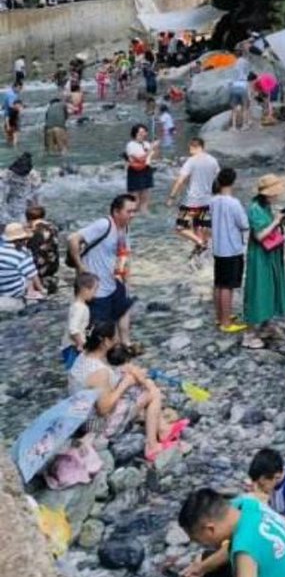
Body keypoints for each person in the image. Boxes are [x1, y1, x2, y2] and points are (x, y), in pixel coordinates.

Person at [69, 322, 185, 460]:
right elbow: (104, 409)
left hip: (83, 415)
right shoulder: (98, 372)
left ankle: (162, 428)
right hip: (97, 426)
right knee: (152, 393)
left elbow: (102, 388)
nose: (117, 341)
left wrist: (129, 374)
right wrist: (125, 384)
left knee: (146, 383)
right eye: (115, 338)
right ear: (105, 341)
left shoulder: (83, 356)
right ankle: (152, 446)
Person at [68, 194, 139, 352]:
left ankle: (125, 343)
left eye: (135, 211)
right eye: (129, 211)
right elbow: (73, 239)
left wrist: (127, 278)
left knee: (124, 308)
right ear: (116, 211)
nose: (132, 215)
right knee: (98, 330)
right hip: (96, 290)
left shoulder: (124, 227)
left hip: (112, 282)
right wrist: (80, 267)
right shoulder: (103, 225)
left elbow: (124, 254)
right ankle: (94, 356)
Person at [242, 174, 285, 351]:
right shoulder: (255, 208)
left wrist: (280, 221)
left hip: (270, 254)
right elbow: (260, 235)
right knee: (257, 290)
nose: (277, 195)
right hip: (260, 256)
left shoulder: (266, 206)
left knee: (270, 288)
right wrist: (276, 221)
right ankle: (249, 334)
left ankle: (265, 324)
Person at [167, 135, 220, 267]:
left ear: (194, 146)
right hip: (207, 202)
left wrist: (172, 197)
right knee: (200, 228)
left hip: (192, 202)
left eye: (189, 147)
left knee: (180, 227)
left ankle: (200, 246)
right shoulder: (213, 161)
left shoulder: (191, 161)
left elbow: (180, 180)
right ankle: (199, 262)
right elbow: (218, 180)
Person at [209, 167, 249, 331]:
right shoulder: (234, 203)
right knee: (228, 286)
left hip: (218, 248)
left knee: (219, 284)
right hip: (231, 248)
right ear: (233, 182)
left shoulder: (213, 201)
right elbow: (244, 224)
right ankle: (226, 323)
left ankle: (220, 317)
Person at [62, 271, 98, 368]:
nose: (95, 294)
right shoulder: (79, 308)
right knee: (74, 370)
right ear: (85, 290)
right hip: (73, 347)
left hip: (74, 345)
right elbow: (73, 329)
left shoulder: (78, 305)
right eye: (94, 290)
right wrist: (80, 344)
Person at [0, 221, 43, 302]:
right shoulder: (22, 253)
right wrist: (42, 290)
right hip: (14, 293)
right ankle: (31, 293)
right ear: (21, 240)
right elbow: (33, 275)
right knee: (27, 273)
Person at [125, 123, 158, 217]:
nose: (144, 134)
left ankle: (144, 212)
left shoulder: (146, 144)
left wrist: (155, 148)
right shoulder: (131, 145)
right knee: (134, 197)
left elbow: (154, 157)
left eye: (144, 132)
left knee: (145, 194)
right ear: (135, 134)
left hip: (147, 170)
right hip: (135, 170)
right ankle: (132, 214)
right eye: (141, 132)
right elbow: (140, 159)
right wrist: (151, 148)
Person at [25, 204, 59, 294]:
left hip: (38, 266)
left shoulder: (30, 230)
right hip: (53, 264)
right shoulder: (53, 227)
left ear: (27, 217)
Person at [230, 58, 251, 130]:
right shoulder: (246, 69)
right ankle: (244, 125)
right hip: (243, 87)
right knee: (245, 107)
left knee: (234, 109)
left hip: (234, 87)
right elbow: (247, 81)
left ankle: (233, 126)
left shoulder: (234, 69)